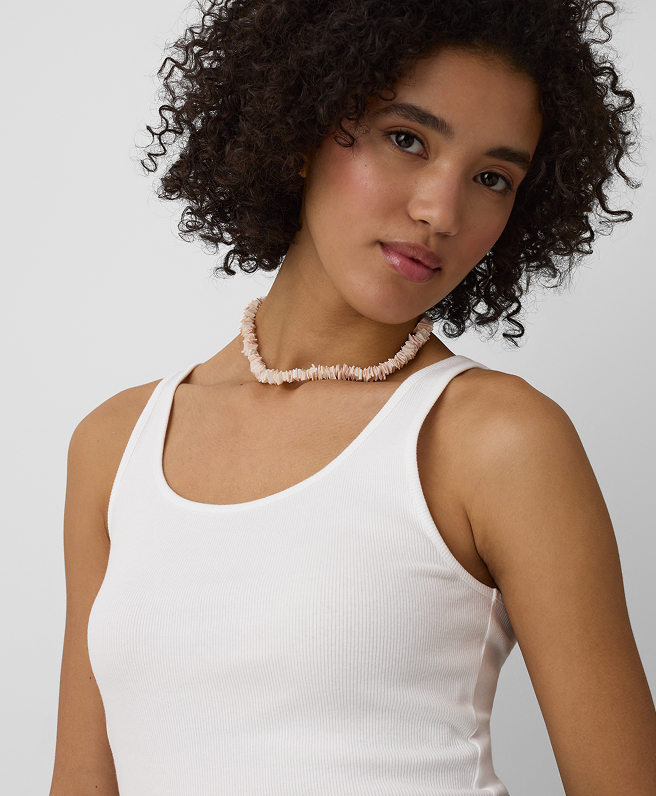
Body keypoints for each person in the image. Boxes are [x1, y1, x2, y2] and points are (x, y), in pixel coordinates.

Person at [50, 0, 656, 794]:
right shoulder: (118, 443)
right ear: (301, 125)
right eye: (407, 139)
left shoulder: (494, 440)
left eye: (492, 178)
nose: (440, 211)